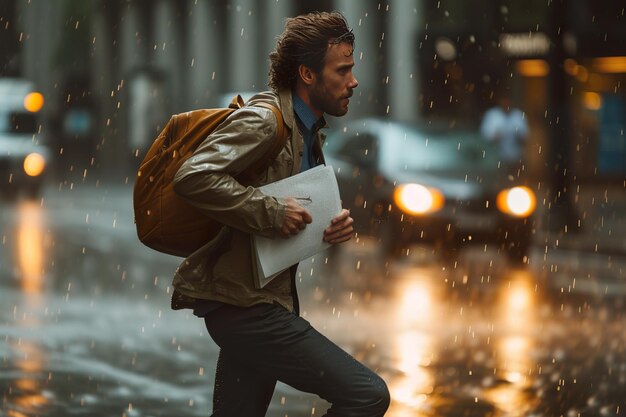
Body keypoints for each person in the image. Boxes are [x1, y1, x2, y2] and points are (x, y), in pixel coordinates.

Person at [170, 11, 390, 417]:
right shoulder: (264, 120)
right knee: (367, 394)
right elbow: (193, 176)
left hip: (257, 304)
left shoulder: (307, 131)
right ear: (307, 74)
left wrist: (327, 226)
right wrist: (271, 213)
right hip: (244, 309)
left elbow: (284, 205)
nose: (354, 81)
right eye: (342, 70)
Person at [480, 94, 529, 177]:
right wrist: (497, 136)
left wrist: (517, 135)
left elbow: (525, 137)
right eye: (504, 101)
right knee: (498, 182)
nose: (506, 103)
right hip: (495, 159)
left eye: (508, 101)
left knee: (515, 183)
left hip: (515, 159)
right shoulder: (492, 115)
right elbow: (485, 137)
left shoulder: (518, 115)